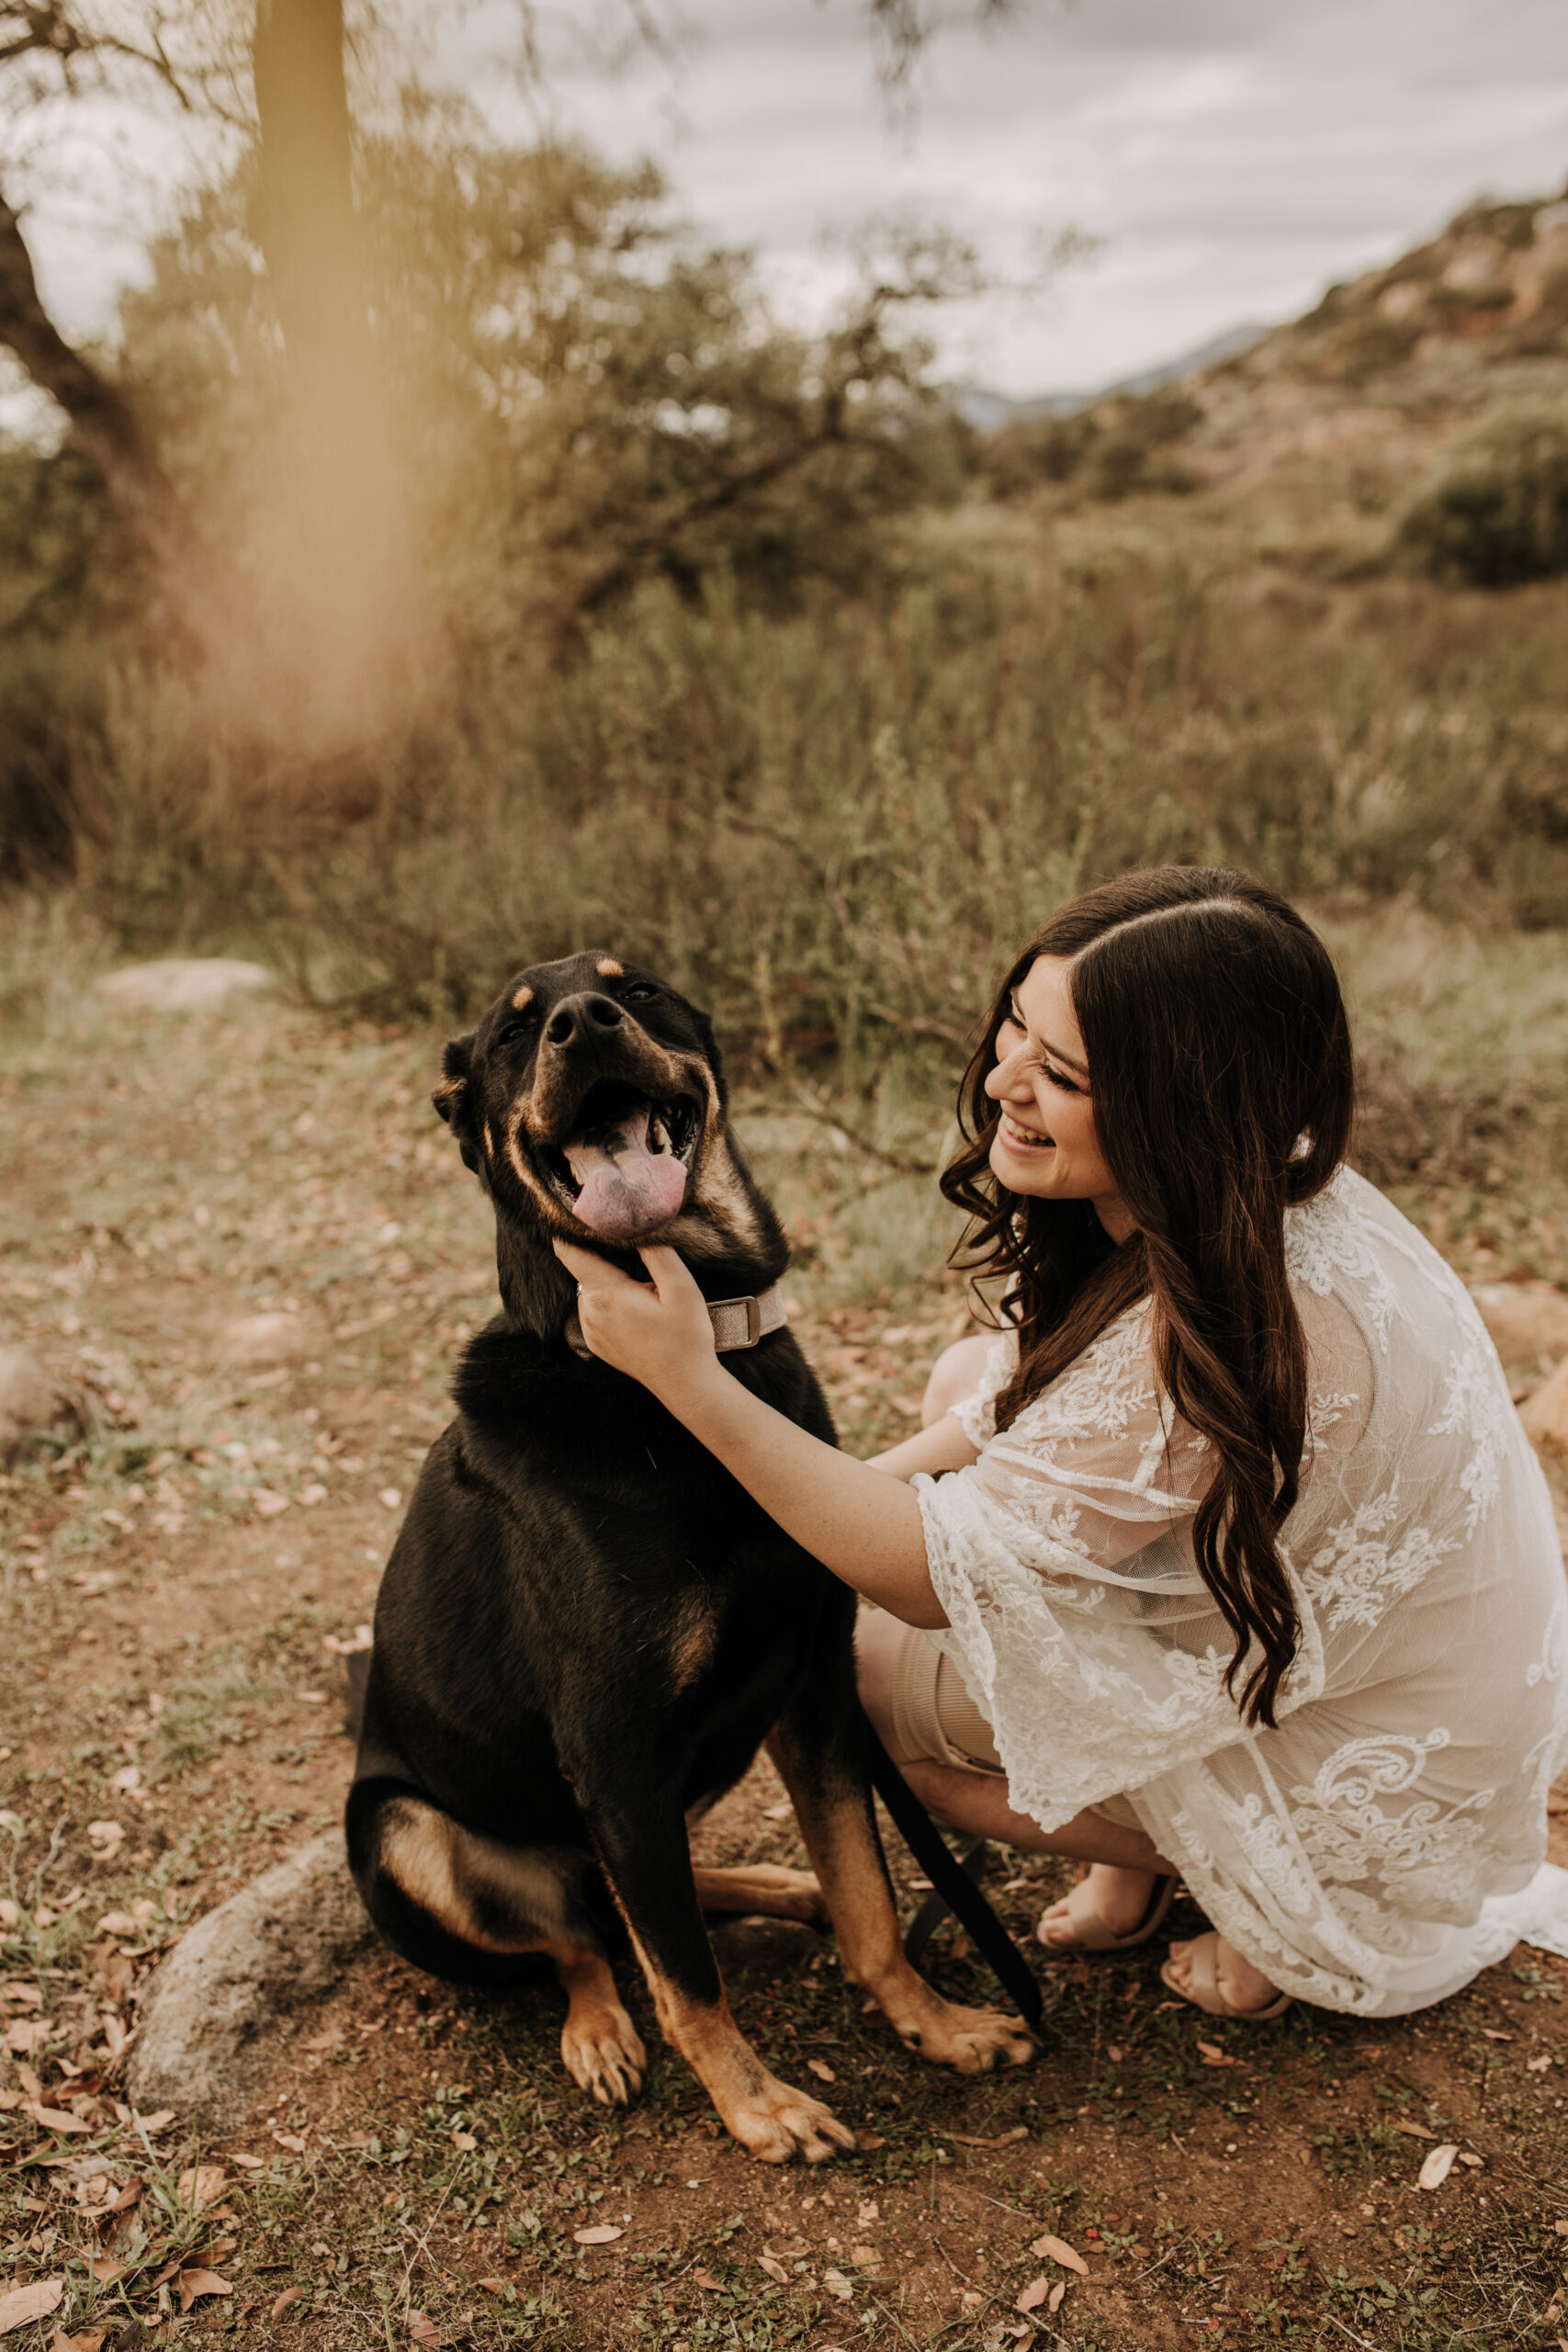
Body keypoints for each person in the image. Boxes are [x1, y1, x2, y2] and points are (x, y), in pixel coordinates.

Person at [558, 866, 1568, 2021]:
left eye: (1063, 1074)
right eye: (1015, 1031)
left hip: (1367, 1766)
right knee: (965, 1377)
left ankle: (1255, 1894)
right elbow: (1007, 1413)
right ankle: (1129, 1863)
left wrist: (689, 1380)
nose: (1002, 1079)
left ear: (1180, 1109)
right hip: (1373, 1661)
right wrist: (829, 1498)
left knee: (871, 1675)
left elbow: (929, 1580)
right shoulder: (1260, 1190)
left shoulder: (1218, 1348)